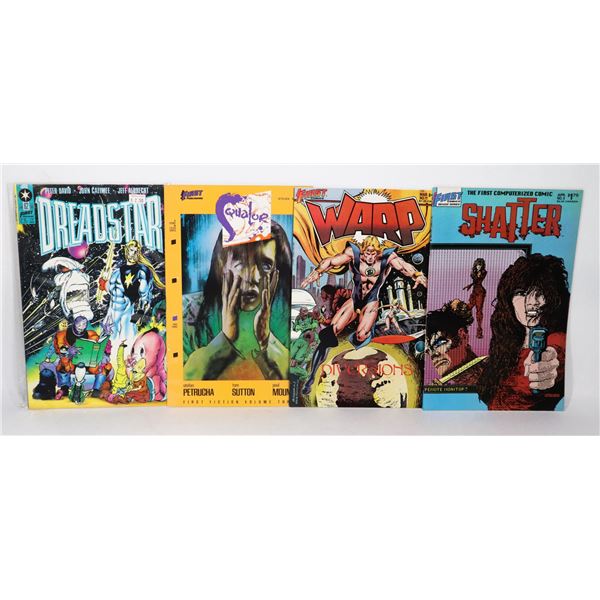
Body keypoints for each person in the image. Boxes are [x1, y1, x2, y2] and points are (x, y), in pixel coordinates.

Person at [300, 235, 427, 395]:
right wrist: (318, 271)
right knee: (330, 334)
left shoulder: (387, 257)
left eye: (373, 254)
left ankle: (365, 336)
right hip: (355, 300)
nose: (369, 257)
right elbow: (331, 261)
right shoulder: (353, 254)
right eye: (367, 253)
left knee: (361, 336)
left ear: (378, 252)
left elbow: (403, 266)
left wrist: (417, 275)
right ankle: (311, 378)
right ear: (362, 250)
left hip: (371, 302)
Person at [184, 221, 291, 380]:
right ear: (221, 264)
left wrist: (266, 342)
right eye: (241, 263)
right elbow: (178, 385)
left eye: (265, 266)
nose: (253, 277)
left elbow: (297, 384)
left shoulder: (287, 318)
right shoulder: (187, 314)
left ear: (276, 274)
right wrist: (223, 341)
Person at [477, 254, 569, 410]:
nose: (532, 302)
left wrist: (548, 363)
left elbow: (556, 351)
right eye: (521, 293)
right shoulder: (507, 343)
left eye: (540, 292)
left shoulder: (557, 339)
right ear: (509, 301)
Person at [426, 299, 486, 386]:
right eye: (428, 351)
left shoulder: (495, 372)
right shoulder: (445, 389)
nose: (433, 355)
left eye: (439, 343)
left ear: (462, 336)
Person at [464, 258, 487, 339]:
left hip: (480, 292)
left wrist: (470, 284)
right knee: (468, 307)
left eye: (480, 265)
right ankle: (464, 326)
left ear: (482, 266)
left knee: (479, 311)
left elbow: (477, 280)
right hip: (474, 292)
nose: (478, 266)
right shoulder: (474, 272)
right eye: (477, 265)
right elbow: (474, 281)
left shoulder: (483, 272)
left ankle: (479, 332)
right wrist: (469, 285)